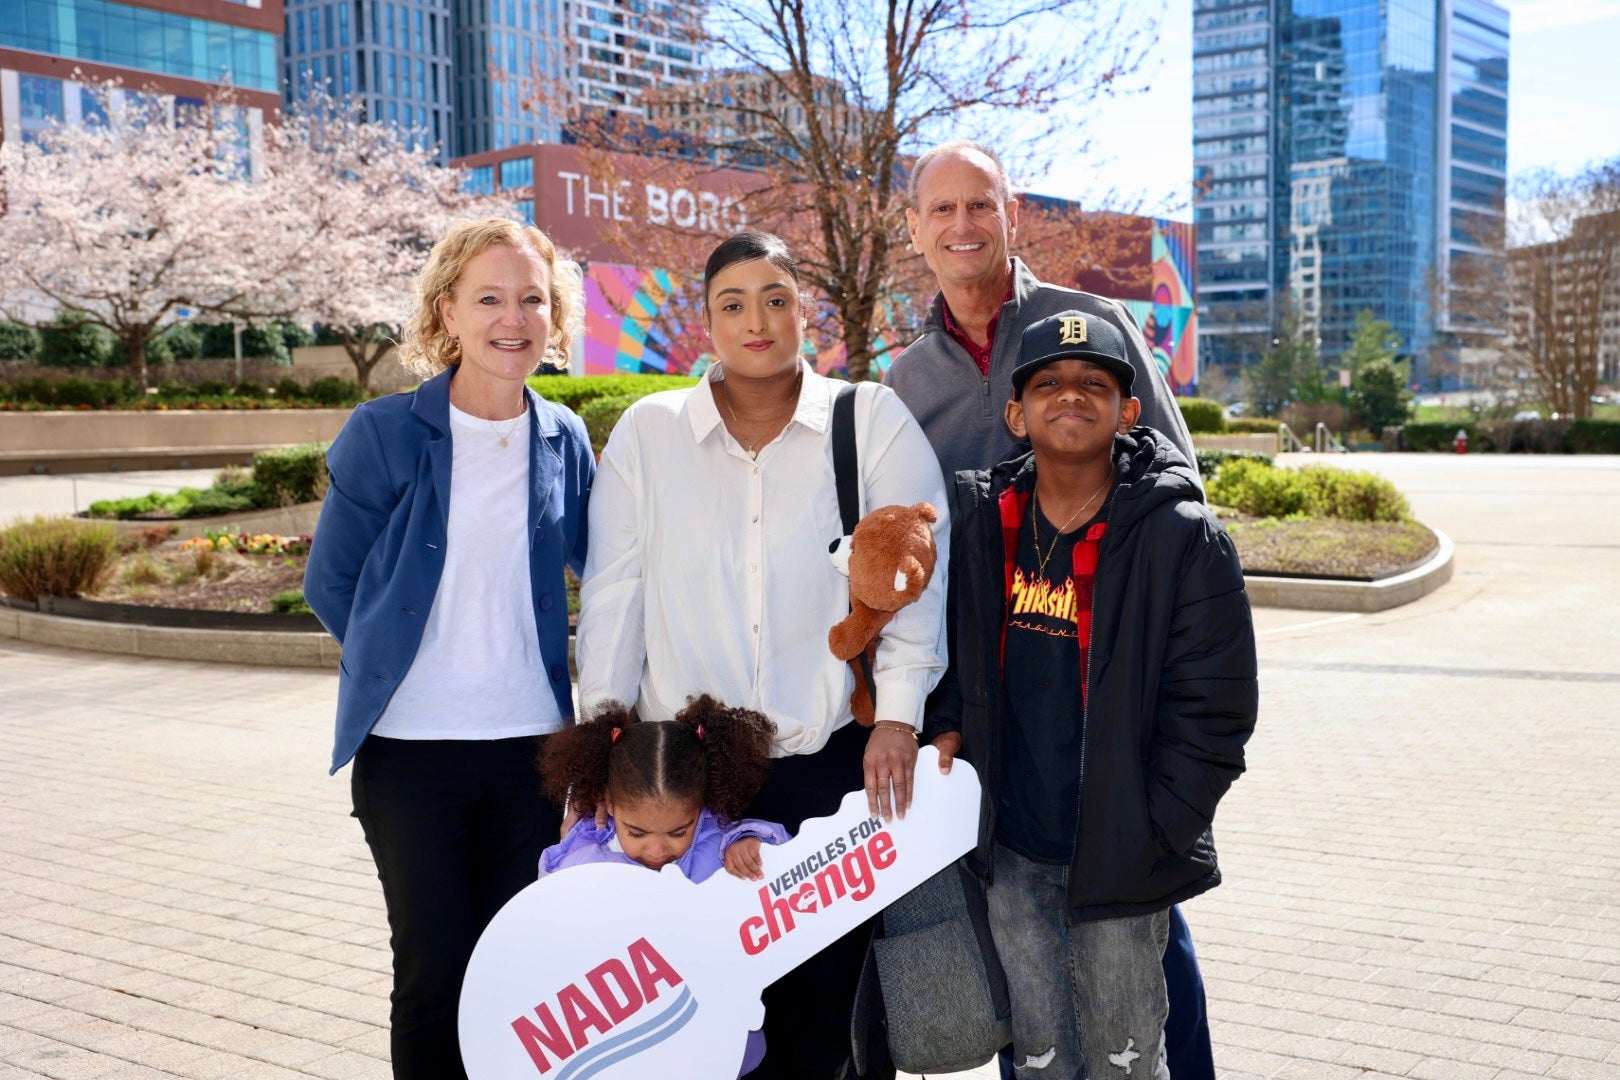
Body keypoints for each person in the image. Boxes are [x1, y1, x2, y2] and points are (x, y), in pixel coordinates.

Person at [576, 230, 948, 1079]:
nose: (757, 321)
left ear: (804, 312)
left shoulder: (868, 419)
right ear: (705, 321)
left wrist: (898, 717)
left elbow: (917, 570)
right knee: (701, 1022)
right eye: (732, 304)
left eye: (776, 299)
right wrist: (599, 755)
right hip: (692, 788)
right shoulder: (649, 434)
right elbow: (613, 597)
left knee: (829, 1022)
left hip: (828, 770)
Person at [885, 139, 1216, 1079]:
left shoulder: (1092, 323)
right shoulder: (908, 384)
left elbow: (1179, 481)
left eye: (978, 205)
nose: (961, 227)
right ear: (914, 228)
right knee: (1017, 923)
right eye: (940, 210)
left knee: (1144, 919)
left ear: (1012, 214)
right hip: (1000, 685)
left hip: (1109, 676)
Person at [928, 310, 1258, 1079]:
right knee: (1039, 1053)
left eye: (1093, 384)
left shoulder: (1180, 535)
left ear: (1128, 410)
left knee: (1125, 1052)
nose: (1068, 396)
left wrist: (1159, 825)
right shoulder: (984, 521)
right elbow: (950, 656)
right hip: (1013, 847)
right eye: (1047, 383)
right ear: (1015, 413)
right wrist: (947, 734)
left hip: (1121, 848)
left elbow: (1217, 707)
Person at [303, 217, 594, 1080]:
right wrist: (397, 666)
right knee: (432, 977)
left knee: (518, 976)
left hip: (533, 759)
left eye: (533, 299)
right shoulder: (385, 432)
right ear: (448, 313)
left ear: (555, 316)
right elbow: (332, 583)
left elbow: (608, 573)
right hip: (410, 757)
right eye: (491, 298)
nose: (515, 318)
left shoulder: (562, 437)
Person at [537, 695, 790, 1076]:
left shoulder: (719, 849)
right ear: (608, 803)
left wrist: (752, 842)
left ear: (702, 805)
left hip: (718, 1053)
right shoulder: (580, 869)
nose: (656, 850)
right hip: (625, 1055)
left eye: (678, 832)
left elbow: (786, 869)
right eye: (636, 832)